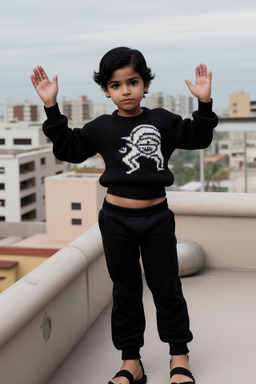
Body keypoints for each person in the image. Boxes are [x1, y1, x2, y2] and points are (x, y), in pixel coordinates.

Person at [30, 46, 218, 384]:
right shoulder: (101, 127)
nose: (125, 91)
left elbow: (199, 137)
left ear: (145, 84)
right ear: (106, 90)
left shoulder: (163, 120)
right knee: (125, 290)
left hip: (157, 218)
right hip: (115, 220)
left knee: (166, 288)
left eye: (132, 82)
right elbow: (69, 148)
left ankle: (180, 357)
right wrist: (50, 105)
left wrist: (204, 102)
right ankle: (132, 362)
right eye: (116, 85)